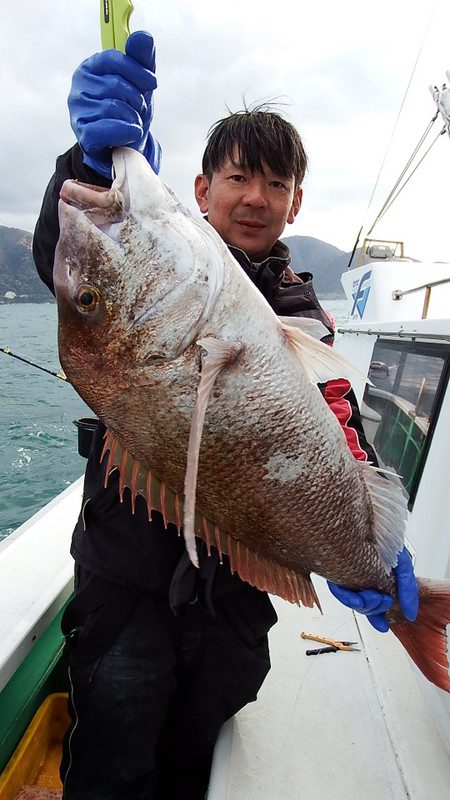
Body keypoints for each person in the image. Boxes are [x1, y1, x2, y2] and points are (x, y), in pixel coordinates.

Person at [33, 30, 418, 800]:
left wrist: (369, 545)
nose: (255, 198)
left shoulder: (301, 312)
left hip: (230, 609)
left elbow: (338, 425)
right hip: (128, 587)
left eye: (275, 184)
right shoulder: (172, 268)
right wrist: (88, 167)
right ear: (201, 188)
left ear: (296, 202)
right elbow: (77, 262)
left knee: (192, 764)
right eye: (238, 177)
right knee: (110, 761)